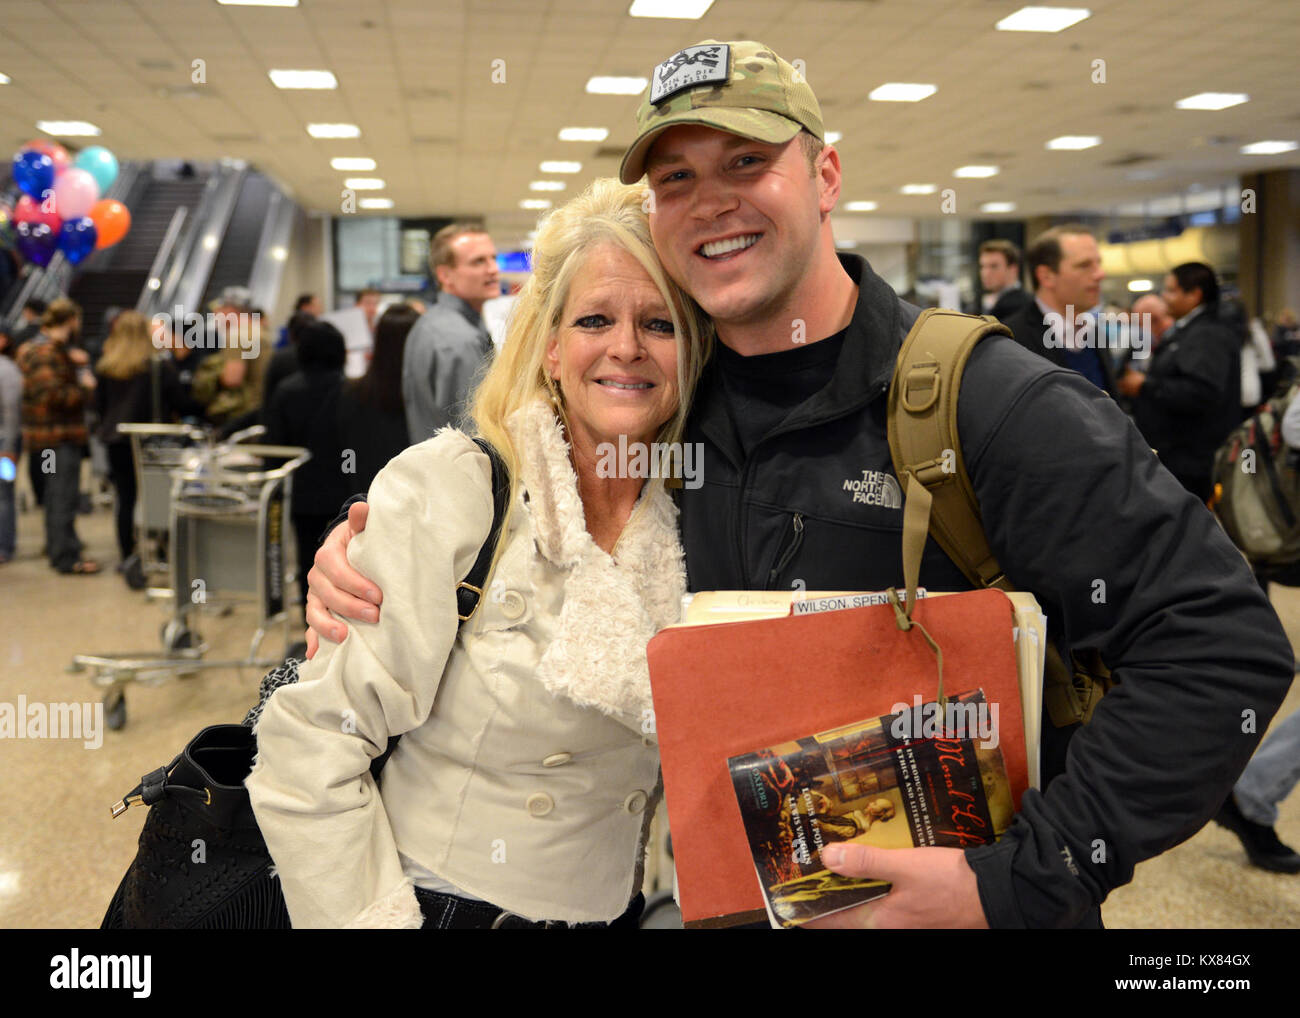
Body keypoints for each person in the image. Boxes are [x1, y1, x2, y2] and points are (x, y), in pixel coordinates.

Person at [303, 39, 1294, 930]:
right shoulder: (671, 410)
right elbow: (534, 512)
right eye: (677, 176)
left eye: (747, 161)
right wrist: (369, 547)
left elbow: (1218, 647)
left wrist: (1018, 879)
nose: (712, 199)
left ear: (823, 175)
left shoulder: (982, 400)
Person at [245, 178, 711, 928]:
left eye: (660, 323)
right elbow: (310, 747)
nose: (627, 346)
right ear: (553, 349)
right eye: (596, 318)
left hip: (610, 909)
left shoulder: (699, 515)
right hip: (440, 905)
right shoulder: (461, 486)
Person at [1118, 262, 1240, 502]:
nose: (1165, 297)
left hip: (1189, 461)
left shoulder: (1207, 334)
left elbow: (1201, 392)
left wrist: (1145, 385)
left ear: (1194, 294)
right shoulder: (1190, 330)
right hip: (1177, 455)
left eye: (1171, 290)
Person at [93, 310, 197, 566]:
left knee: (125, 498)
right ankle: (162, 551)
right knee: (159, 495)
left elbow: (99, 406)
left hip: (116, 441)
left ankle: (128, 554)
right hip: (153, 441)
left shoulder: (107, 367)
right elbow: (181, 403)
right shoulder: (158, 366)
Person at [261, 320, 352, 612]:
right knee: (348, 557)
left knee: (307, 558)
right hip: (345, 489)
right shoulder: (349, 391)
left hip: (301, 490)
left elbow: (274, 444)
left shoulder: (286, 391)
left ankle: (309, 618)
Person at [17, 298, 99, 574]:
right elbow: (53, 395)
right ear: (70, 321)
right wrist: (86, 389)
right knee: (62, 493)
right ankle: (65, 555)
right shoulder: (46, 354)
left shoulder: (42, 350)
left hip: (48, 437)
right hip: (57, 438)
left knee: (56, 494)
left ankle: (61, 545)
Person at [401, 224, 500, 442]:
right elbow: (476, 435)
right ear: (445, 275)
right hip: (463, 471)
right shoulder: (458, 340)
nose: (493, 269)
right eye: (478, 261)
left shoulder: (431, 323)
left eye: (493, 258)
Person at [1001, 225, 1118, 397]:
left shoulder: (1094, 333)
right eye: (1084, 265)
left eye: (1098, 263)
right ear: (1046, 276)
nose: (1100, 274)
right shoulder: (1012, 340)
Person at [336, 303, 417, 493]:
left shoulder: (353, 393)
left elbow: (347, 454)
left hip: (364, 497)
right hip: (413, 497)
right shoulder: (421, 396)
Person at [0, 329, 20, 563]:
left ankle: (4, 545)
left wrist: (9, 446)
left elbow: (12, 410)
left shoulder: (7, 370)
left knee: (4, 494)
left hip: (4, 442)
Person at [978, 239, 1030, 322]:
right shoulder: (982, 302)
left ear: (1013, 269)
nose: (985, 273)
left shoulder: (1024, 305)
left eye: (994, 266)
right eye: (982, 266)